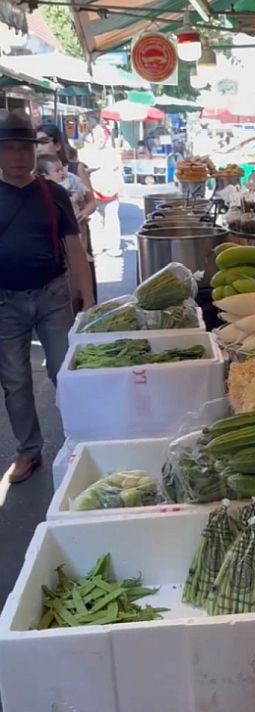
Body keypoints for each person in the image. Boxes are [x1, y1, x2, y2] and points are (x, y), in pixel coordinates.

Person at [0, 110, 94, 484]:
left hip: (53, 296)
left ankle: (81, 440)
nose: (18, 155)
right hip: (5, 303)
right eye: (9, 148)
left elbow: (74, 249)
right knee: (15, 380)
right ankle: (28, 451)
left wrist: (88, 301)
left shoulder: (52, 193)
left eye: (24, 147)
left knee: (65, 372)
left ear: (34, 151)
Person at [36, 124, 97, 307]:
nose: (39, 147)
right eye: (35, 143)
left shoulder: (75, 169)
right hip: (52, 244)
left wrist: (82, 213)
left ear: (57, 145)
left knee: (81, 287)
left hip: (77, 234)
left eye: (43, 142)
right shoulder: (34, 175)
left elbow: (91, 202)